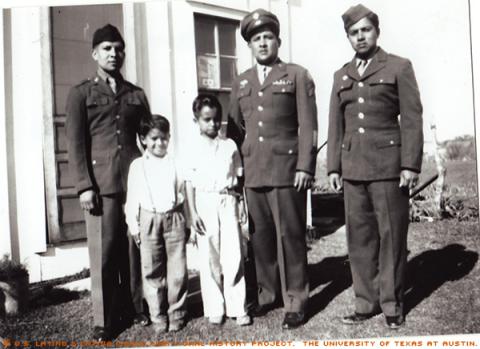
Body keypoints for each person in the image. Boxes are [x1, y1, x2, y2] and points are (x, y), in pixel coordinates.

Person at [327, 4, 423, 329]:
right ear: (348, 38)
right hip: (353, 168)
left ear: (376, 31)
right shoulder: (341, 74)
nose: (360, 37)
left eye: (365, 30)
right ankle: (365, 302)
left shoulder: (398, 66)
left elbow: (411, 118)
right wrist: (333, 168)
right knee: (359, 239)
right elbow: (335, 124)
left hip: (389, 167)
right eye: (354, 33)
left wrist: (410, 164)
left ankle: (393, 303)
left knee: (392, 237)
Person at [227, 9, 318, 329]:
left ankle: (296, 298)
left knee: (290, 236)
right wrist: (234, 172)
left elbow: (308, 126)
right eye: (256, 39)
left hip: (287, 170)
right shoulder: (241, 82)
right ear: (249, 46)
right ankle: (268, 294)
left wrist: (305, 166)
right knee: (261, 237)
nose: (263, 43)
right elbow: (233, 131)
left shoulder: (296, 75)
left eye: (268, 37)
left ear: (278, 40)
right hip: (253, 172)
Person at [65, 24, 150, 340]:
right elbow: (75, 144)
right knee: (104, 253)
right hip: (100, 187)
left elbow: (148, 136)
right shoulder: (81, 94)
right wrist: (84, 185)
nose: (114, 54)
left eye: (118, 48)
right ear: (95, 54)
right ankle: (105, 319)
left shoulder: (135, 94)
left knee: (133, 249)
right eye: (107, 49)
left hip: (135, 184)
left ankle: (136, 308)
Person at [185, 95, 252, 327]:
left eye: (216, 119)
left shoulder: (229, 145)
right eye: (207, 120)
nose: (212, 124)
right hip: (204, 201)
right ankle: (215, 306)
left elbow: (239, 178)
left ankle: (237, 306)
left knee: (233, 255)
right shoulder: (191, 147)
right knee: (209, 256)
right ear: (197, 121)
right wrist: (192, 213)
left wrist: (241, 203)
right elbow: (189, 183)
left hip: (228, 199)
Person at [124, 114, 188, 335]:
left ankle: (176, 313)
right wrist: (134, 226)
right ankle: (157, 315)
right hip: (148, 219)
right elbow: (132, 199)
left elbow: (183, 193)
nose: (159, 143)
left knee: (177, 270)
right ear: (143, 139)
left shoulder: (176, 163)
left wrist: (186, 220)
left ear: (169, 138)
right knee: (152, 270)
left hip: (174, 218)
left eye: (164, 138)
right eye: (154, 138)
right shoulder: (137, 166)